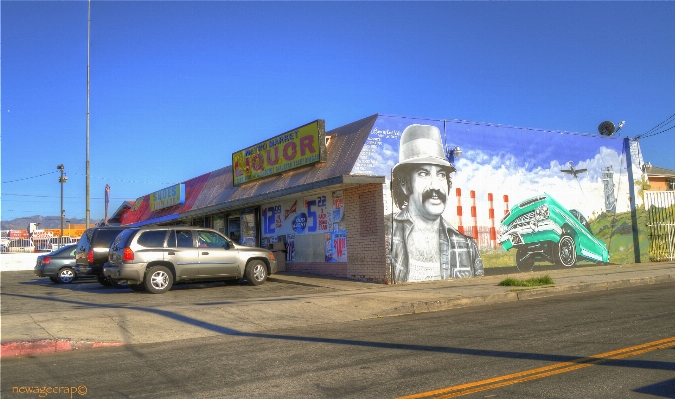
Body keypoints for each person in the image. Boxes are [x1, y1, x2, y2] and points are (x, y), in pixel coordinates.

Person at [390, 124, 483, 282]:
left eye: (441, 175)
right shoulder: (385, 235)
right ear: (405, 184)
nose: (435, 185)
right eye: (423, 173)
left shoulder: (467, 246)